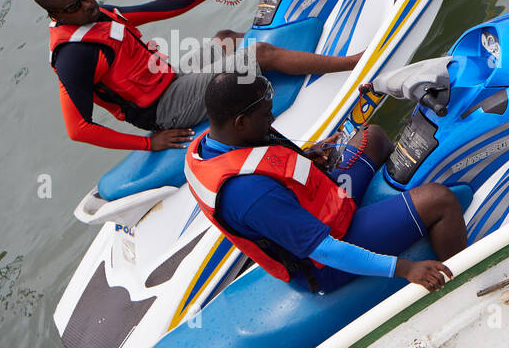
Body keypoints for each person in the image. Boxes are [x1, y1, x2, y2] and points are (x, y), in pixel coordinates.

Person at [185, 70, 465, 293]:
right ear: (240, 122)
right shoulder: (249, 194)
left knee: (374, 136)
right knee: (440, 200)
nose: (272, 118)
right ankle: (463, 283)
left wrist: (306, 157)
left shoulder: (216, 142)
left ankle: (400, 214)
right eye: (265, 115)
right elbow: (325, 250)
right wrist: (406, 269)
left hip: (329, 201)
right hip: (324, 259)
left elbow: (268, 165)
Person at [33, 0, 363, 151]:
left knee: (225, 38)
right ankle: (355, 64)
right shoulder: (72, 57)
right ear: (56, 14)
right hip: (163, 109)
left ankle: (296, 56)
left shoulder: (97, 13)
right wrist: (148, 143)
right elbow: (78, 129)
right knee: (259, 55)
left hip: (170, 77)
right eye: (75, 6)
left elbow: (158, 8)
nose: (88, 4)